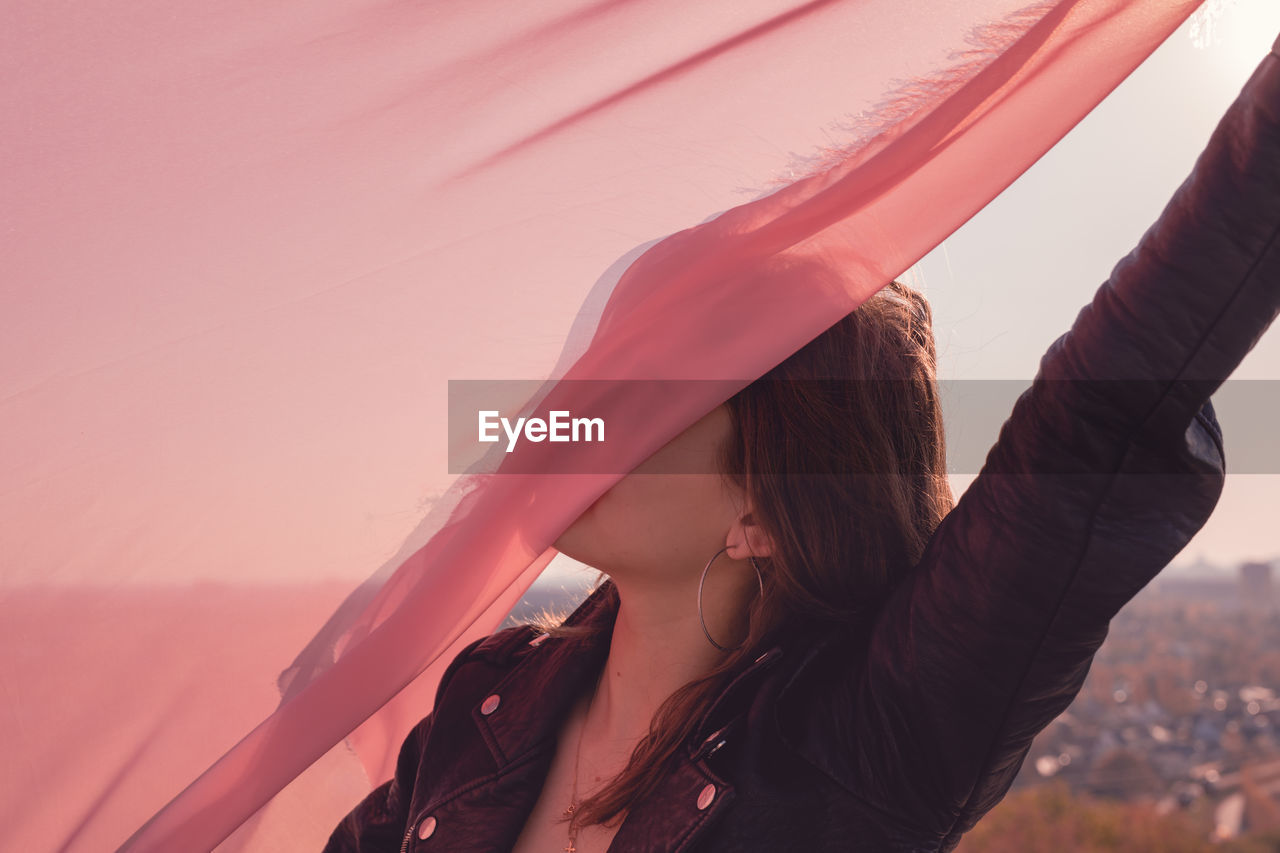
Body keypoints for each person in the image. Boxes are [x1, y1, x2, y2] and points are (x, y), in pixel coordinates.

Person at [323, 31, 1280, 853]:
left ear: (762, 507)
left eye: (648, 388)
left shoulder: (863, 746)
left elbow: (1092, 428)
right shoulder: (485, 705)